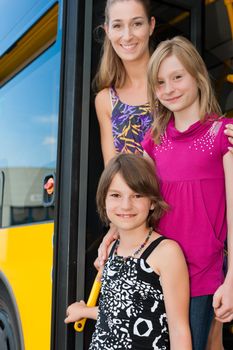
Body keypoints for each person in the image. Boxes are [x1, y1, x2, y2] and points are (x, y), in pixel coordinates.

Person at [140, 36, 233, 350]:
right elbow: (139, 207)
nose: (169, 89)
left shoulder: (223, 135)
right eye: (160, 82)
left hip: (202, 276)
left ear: (197, 76)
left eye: (178, 77)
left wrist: (232, 279)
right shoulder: (153, 142)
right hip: (156, 273)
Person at [65, 153, 192, 349]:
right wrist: (86, 311)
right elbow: (120, 312)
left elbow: (178, 329)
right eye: (116, 195)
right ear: (104, 201)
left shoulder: (166, 253)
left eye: (137, 195)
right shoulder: (111, 249)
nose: (126, 205)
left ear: (152, 202)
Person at [94, 0, 156, 166]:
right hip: (136, 192)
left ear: (151, 26)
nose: (127, 36)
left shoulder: (172, 84)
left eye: (136, 24)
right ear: (107, 30)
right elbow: (113, 173)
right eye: (118, 26)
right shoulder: (106, 100)